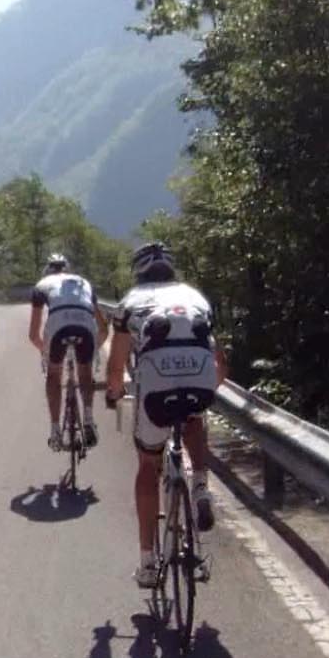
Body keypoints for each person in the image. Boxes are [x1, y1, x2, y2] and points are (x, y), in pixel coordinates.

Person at [104, 241, 227, 588]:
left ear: (138, 272)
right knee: (193, 418)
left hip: (156, 385)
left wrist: (114, 392)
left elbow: (116, 366)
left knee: (148, 464)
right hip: (200, 375)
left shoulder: (130, 304)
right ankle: (200, 486)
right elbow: (220, 363)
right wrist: (205, 393)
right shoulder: (196, 299)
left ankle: (147, 563)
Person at [28, 252, 107, 452]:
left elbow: (33, 334)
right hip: (86, 326)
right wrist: (93, 351)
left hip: (58, 327)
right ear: (67, 269)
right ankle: (88, 419)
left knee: (54, 375)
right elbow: (104, 329)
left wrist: (46, 353)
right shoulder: (83, 283)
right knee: (85, 371)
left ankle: (55, 431)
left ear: (48, 270)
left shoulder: (42, 285)